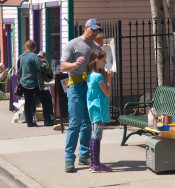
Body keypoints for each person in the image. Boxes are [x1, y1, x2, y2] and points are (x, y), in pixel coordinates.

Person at [60, 18, 102, 173]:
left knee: (88, 122)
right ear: (86, 28)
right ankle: (69, 158)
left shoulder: (96, 46)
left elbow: (100, 65)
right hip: (76, 86)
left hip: (90, 87)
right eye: (93, 29)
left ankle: (84, 154)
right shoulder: (73, 44)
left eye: (98, 30)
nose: (96, 32)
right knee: (75, 122)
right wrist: (75, 65)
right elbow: (63, 66)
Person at [86, 49, 114, 173]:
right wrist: (109, 78)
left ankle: (93, 163)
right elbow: (107, 93)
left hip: (93, 109)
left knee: (94, 136)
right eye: (104, 60)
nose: (105, 62)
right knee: (97, 137)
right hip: (99, 109)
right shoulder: (98, 77)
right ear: (97, 61)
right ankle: (96, 164)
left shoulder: (90, 75)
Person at [17, 40, 53, 127]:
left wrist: (21, 81)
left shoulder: (21, 57)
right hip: (35, 83)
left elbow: (19, 71)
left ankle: (29, 122)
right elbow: (41, 68)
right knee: (45, 100)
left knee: (28, 103)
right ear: (34, 48)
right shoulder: (34, 56)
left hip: (25, 84)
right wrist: (44, 61)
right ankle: (47, 120)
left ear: (26, 47)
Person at [36, 51, 54, 122]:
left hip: (40, 85)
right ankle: (49, 117)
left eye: (41, 57)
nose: (40, 58)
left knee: (48, 97)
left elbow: (50, 75)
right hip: (38, 86)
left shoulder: (43, 64)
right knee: (47, 99)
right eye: (39, 57)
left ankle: (50, 116)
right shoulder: (42, 64)